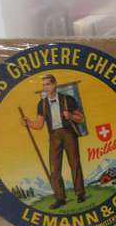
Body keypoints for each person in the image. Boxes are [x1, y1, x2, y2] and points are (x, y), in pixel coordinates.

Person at [22, 74, 86, 209]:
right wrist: (28, 122)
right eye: (44, 85)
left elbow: (81, 119)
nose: (46, 87)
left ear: (55, 84)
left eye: (48, 84)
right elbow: (39, 125)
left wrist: (70, 116)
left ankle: (80, 193)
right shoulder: (42, 104)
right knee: (54, 168)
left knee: (75, 164)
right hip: (54, 137)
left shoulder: (68, 99)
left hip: (69, 134)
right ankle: (60, 198)